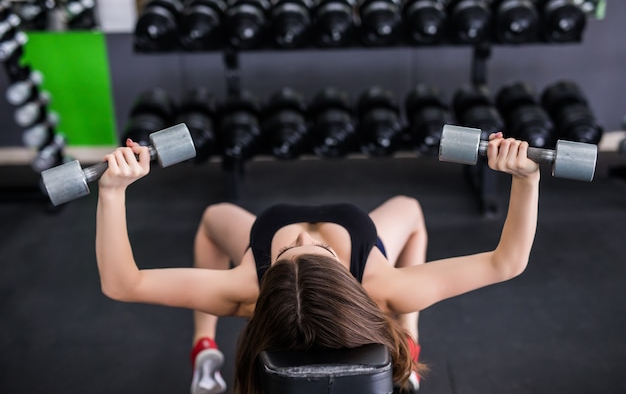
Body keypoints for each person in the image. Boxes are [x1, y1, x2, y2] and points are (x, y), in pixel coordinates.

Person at [95, 132, 540, 394]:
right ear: (349, 284)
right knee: (412, 209)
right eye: (317, 249)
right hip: (371, 269)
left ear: (266, 275)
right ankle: (410, 337)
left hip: (261, 242)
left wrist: (113, 192)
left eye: (291, 250)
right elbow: (507, 263)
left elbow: (122, 284)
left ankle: (203, 351)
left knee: (212, 220)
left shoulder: (243, 290)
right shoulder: (385, 285)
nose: (305, 235)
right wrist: (526, 177)